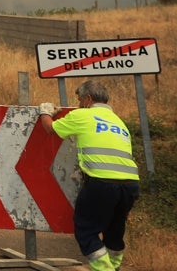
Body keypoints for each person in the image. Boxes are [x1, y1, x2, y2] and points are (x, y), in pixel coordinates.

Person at [38, 80, 140, 271]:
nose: (78, 104)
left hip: (102, 182)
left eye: (79, 100)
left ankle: (104, 269)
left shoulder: (82, 115)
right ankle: (114, 266)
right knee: (114, 230)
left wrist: (45, 112)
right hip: (131, 184)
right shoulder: (118, 121)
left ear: (88, 98)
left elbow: (50, 128)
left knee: (86, 230)